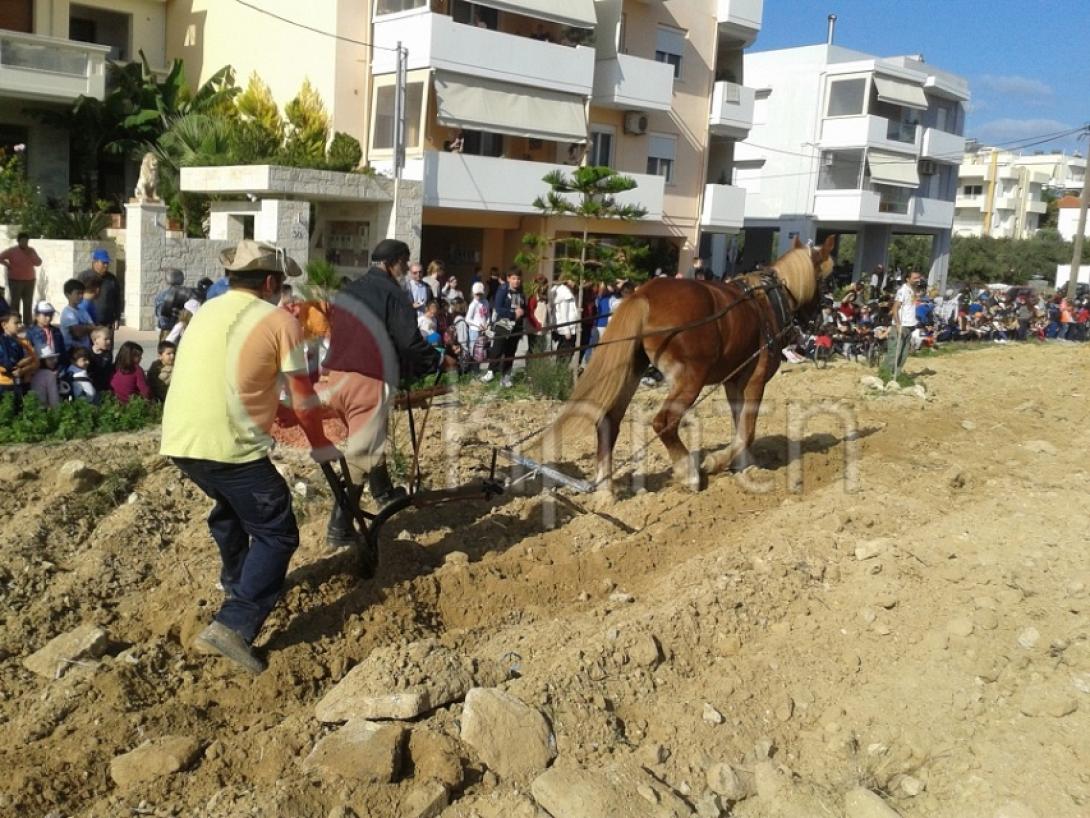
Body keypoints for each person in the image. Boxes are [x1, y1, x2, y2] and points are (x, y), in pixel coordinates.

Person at [161, 239, 335, 674]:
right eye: (283, 284)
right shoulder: (279, 320)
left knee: (231, 510)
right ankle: (235, 625)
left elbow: (234, 380)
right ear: (272, 281)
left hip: (182, 441)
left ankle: (237, 583)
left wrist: (281, 414)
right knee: (278, 531)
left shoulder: (204, 313)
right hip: (229, 446)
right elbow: (302, 397)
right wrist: (320, 441)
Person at [323, 238, 439, 547]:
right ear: (396, 263)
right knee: (361, 454)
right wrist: (437, 359)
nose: (405, 269)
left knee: (369, 439)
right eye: (405, 262)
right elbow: (409, 342)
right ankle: (340, 527)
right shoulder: (393, 293)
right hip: (367, 380)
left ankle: (384, 492)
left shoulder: (347, 290)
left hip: (335, 378)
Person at [480, 267, 525, 387]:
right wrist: (513, 314)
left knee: (510, 352)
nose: (516, 281)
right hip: (502, 324)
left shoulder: (518, 291)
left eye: (518, 279)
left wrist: (519, 313)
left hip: (514, 326)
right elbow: (498, 308)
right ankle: (490, 372)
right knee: (497, 349)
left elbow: (516, 308)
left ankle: (506, 377)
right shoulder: (503, 289)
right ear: (508, 279)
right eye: (514, 278)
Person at [0, 232, 42, 324]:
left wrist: (31, 255)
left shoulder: (31, 250)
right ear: (18, 241)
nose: (25, 243)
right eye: (22, 241)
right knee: (15, 303)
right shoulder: (12, 251)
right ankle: (15, 323)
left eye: (26, 241)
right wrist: (7, 264)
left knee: (28, 303)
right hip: (15, 280)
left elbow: (38, 263)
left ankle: (28, 324)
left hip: (30, 280)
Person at [885, 270, 922, 373]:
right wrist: (898, 324)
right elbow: (895, 308)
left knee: (904, 353)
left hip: (910, 325)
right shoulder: (903, 290)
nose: (917, 280)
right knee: (894, 353)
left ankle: (897, 374)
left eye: (918, 278)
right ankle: (886, 374)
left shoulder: (913, 290)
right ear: (908, 279)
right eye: (915, 278)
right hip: (902, 325)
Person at [78, 248, 121, 334]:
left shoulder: (112, 279)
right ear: (95, 262)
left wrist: (117, 317)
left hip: (107, 324)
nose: (106, 265)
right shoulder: (84, 277)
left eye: (107, 263)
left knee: (106, 345)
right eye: (103, 262)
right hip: (88, 324)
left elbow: (117, 300)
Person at [0, 313, 37, 398]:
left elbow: (35, 362)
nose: (20, 325)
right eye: (16, 323)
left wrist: (22, 370)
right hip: (3, 383)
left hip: (22, 383)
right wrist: (13, 367)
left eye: (20, 323)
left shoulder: (24, 342)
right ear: (4, 325)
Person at [59, 279, 94, 350]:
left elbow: (93, 327)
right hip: (72, 351)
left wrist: (83, 327)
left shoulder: (83, 311)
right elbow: (78, 333)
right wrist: (88, 327)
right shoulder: (67, 313)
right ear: (67, 295)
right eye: (78, 293)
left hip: (86, 349)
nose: (81, 296)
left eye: (82, 293)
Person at [550, 277, 579, 363]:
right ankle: (560, 373)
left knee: (565, 354)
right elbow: (564, 314)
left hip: (568, 328)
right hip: (567, 330)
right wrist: (567, 330)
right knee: (564, 355)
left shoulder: (565, 291)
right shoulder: (565, 293)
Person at [466, 281, 491, 368]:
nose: (479, 296)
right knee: (474, 350)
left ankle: (479, 368)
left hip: (483, 330)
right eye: (477, 294)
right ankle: (473, 369)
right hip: (474, 330)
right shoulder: (473, 305)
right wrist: (478, 325)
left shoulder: (485, 302)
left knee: (482, 350)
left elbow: (487, 315)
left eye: (480, 294)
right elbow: (468, 319)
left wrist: (487, 323)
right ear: (473, 293)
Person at [87, 327, 114, 394]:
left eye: (109, 339)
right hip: (91, 386)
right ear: (95, 340)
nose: (109, 341)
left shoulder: (108, 354)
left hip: (104, 386)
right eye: (106, 339)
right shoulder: (88, 353)